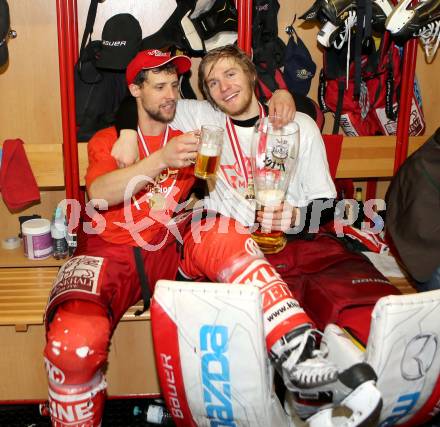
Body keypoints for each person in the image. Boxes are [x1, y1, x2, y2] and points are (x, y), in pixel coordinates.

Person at [43, 49, 373, 427]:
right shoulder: (121, 138)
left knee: (220, 230)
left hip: (176, 248)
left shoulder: (196, 131)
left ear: (250, 75)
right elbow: (98, 194)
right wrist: (138, 140)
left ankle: (302, 361)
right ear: (136, 90)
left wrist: (288, 97)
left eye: (175, 85)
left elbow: (322, 199)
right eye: (161, 86)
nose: (170, 94)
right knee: (74, 342)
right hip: (113, 251)